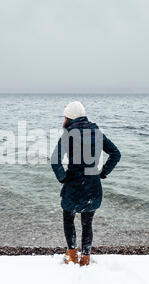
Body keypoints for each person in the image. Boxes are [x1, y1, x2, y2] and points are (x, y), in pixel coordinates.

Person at [51, 101, 121, 266]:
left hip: (73, 186)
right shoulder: (96, 132)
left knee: (69, 220)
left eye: (66, 116)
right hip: (93, 186)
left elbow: (55, 160)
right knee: (87, 223)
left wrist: (62, 178)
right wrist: (103, 172)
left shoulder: (69, 134)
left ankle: (72, 256)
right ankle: (86, 259)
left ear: (69, 117)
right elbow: (115, 154)